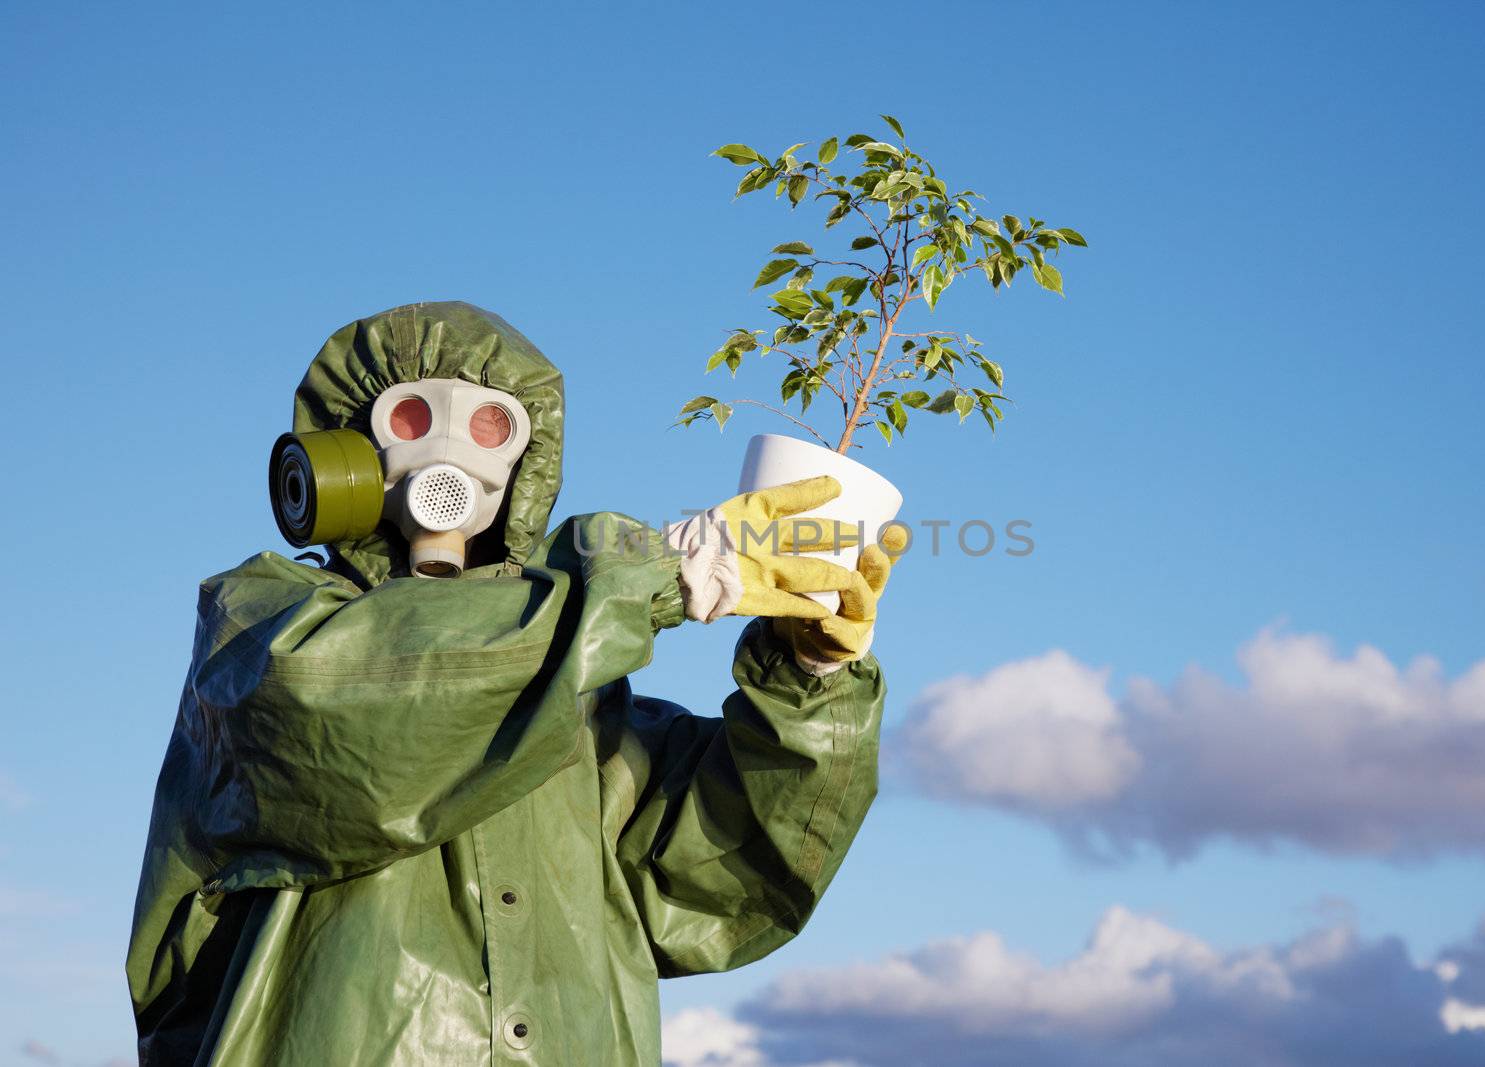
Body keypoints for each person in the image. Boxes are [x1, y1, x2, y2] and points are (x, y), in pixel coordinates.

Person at [126, 302, 904, 1066]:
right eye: (410, 418)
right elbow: (359, 710)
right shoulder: (261, 631)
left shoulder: (582, 700)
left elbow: (723, 875)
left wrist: (808, 679)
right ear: (342, 448)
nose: (450, 450)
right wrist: (647, 580)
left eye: (491, 426)